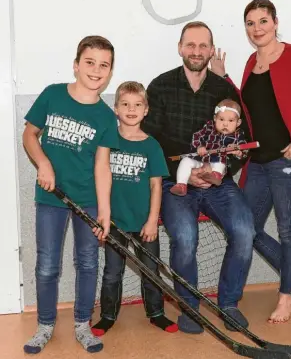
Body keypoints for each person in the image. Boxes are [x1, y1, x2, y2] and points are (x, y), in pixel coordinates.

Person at [210, 0, 291, 324]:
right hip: (258, 163)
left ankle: (286, 297)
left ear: (275, 22)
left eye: (263, 21)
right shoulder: (252, 61)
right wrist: (224, 79)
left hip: (287, 161)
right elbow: (249, 109)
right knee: (245, 228)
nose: (257, 28)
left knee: (290, 232)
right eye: (250, 23)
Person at [144, 21, 255, 334]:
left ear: (211, 49)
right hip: (174, 180)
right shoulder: (160, 86)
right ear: (180, 48)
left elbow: (242, 141)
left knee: (245, 230)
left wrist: (220, 170)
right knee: (185, 238)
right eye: (190, 45)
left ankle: (229, 303)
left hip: (217, 179)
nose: (196, 51)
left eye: (203, 45)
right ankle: (190, 309)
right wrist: (187, 174)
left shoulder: (224, 90)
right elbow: (149, 142)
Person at [22, 35, 119, 354]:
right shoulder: (52, 95)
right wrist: (43, 163)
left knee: (88, 262)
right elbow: (29, 135)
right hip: (52, 198)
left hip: (88, 200)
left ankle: (82, 324)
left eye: (104, 65)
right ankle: (45, 325)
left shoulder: (106, 117)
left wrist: (104, 212)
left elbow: (103, 167)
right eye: (90, 62)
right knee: (47, 264)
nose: (96, 70)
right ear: (77, 65)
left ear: (110, 72)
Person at [91, 81, 178, 336]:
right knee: (111, 273)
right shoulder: (108, 140)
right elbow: (100, 174)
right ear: (116, 109)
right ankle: (107, 316)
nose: (131, 109)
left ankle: (157, 314)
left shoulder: (152, 145)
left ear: (146, 110)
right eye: (125, 104)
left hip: (143, 223)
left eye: (137, 104)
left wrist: (153, 221)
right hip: (115, 222)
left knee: (151, 272)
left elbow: (156, 186)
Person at [170, 98, 247, 196]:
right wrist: (199, 146)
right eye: (221, 119)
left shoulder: (238, 134)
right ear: (215, 118)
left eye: (231, 120)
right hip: (201, 159)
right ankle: (181, 184)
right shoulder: (209, 127)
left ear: (238, 122)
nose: (225, 124)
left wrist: (238, 151)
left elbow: (244, 149)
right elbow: (197, 136)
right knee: (185, 161)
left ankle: (215, 176)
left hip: (216, 164)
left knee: (220, 159)